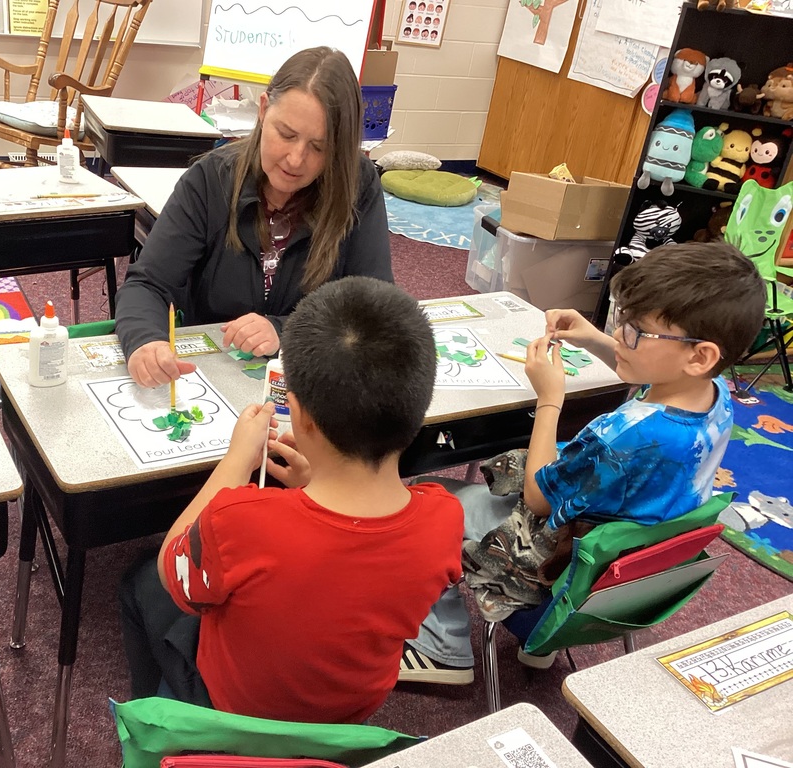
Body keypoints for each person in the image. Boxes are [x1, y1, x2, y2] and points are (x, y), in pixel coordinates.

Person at [398, 242, 765, 683]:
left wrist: (550, 398)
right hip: (609, 578)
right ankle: (539, 654)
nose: (622, 335)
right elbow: (659, 369)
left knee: (421, 505)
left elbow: (536, 499)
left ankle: (443, 648)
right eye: (621, 320)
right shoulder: (716, 394)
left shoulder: (626, 436)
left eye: (636, 332)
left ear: (699, 354)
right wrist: (597, 339)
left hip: (554, 577)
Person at [119, 276, 464, 724]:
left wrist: (237, 462)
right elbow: (346, 566)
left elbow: (172, 567)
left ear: (297, 414)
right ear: (418, 411)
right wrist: (311, 484)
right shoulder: (445, 517)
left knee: (140, 581)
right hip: (350, 714)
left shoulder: (241, 519)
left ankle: (159, 725)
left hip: (236, 713)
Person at [115, 47, 392, 388]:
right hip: (213, 379)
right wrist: (146, 341)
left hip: (310, 381)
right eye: (286, 134)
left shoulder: (357, 184)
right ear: (263, 110)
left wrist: (284, 331)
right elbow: (146, 284)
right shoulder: (210, 180)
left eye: (319, 148)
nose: (295, 159)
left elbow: (374, 307)